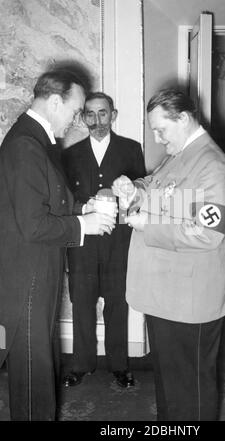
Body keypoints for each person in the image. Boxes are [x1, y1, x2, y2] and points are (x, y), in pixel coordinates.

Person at [112, 89, 225, 421]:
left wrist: (146, 225)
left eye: (160, 129)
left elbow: (207, 232)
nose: (156, 137)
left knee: (190, 393)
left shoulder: (212, 164)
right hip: (168, 297)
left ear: (183, 119)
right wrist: (135, 188)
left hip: (189, 303)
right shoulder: (182, 155)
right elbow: (162, 189)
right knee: (170, 388)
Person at [0, 70, 117, 421]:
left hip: (38, 273)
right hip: (29, 277)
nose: (78, 119)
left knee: (40, 366)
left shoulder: (37, 139)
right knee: (33, 374)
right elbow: (34, 224)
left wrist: (86, 208)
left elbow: (49, 203)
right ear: (55, 102)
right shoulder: (25, 145)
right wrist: (85, 225)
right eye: (76, 110)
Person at [61, 92, 146, 388]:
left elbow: (140, 196)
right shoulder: (69, 154)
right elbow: (64, 201)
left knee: (117, 305)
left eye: (103, 113)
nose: (97, 120)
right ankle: (82, 364)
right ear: (84, 117)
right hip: (82, 244)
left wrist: (129, 197)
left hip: (118, 244)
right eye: (90, 114)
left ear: (114, 114)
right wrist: (84, 207)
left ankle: (119, 365)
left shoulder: (131, 149)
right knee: (82, 303)